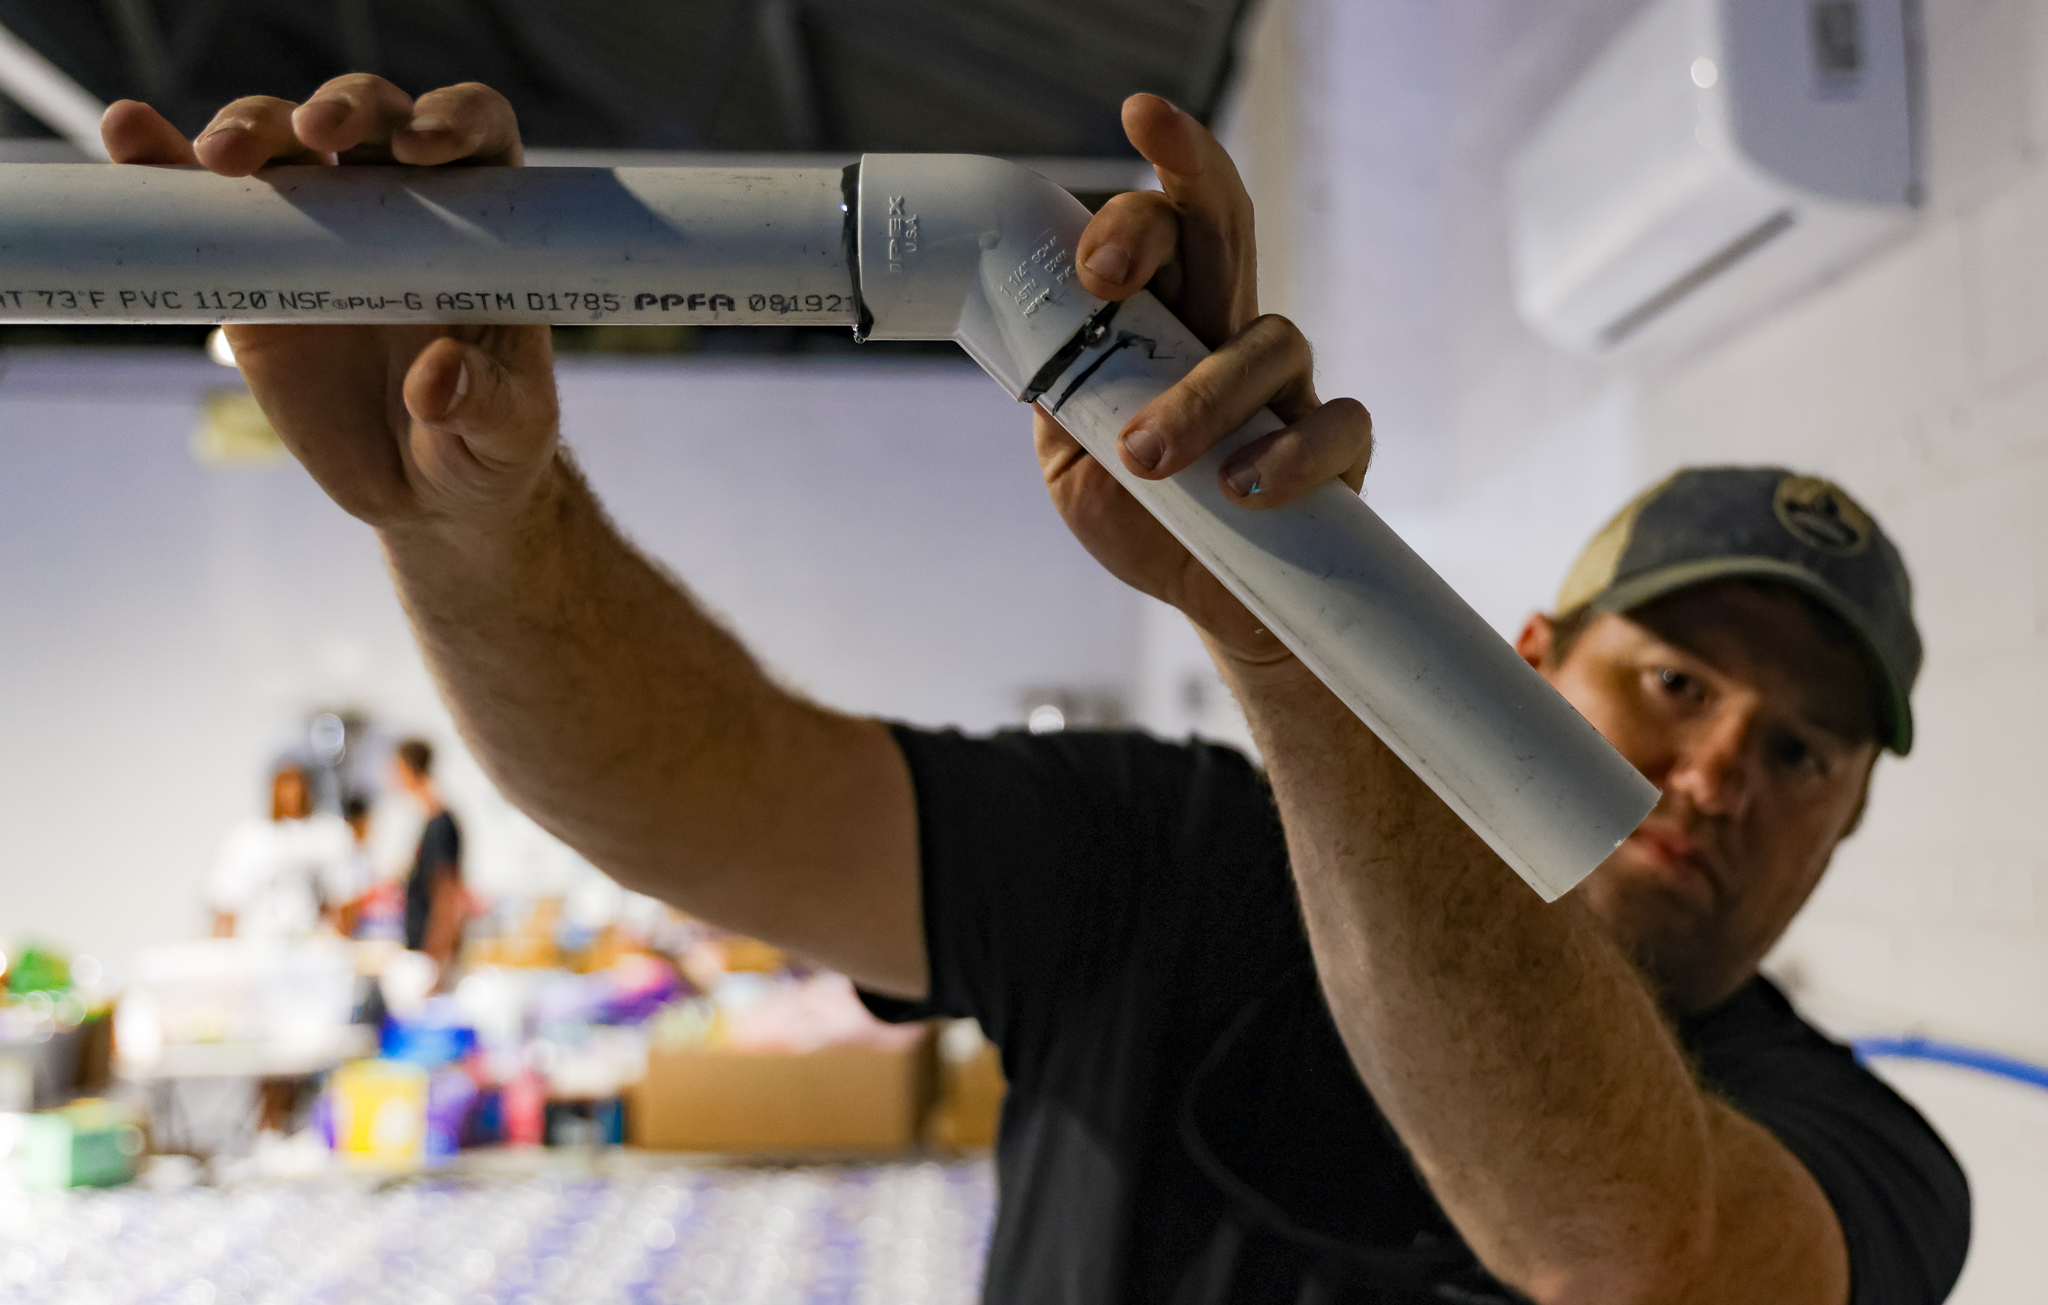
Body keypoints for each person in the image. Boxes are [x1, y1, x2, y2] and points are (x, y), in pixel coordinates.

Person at [104, 78, 1969, 1303]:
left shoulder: (1865, 1161)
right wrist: (467, 524)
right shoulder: (1172, 858)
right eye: (1673, 679)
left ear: (1848, 820)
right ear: (1533, 663)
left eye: (1800, 747)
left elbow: (1640, 1261)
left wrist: (1279, 616)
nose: (1718, 767)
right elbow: (705, 802)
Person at [205, 762, 355, 942]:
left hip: (314, 944)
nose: (292, 793)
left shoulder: (327, 836)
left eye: (297, 783)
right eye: (285, 783)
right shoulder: (247, 840)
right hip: (258, 945)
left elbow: (344, 900)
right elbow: (226, 906)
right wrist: (222, 952)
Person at [390, 738, 464, 972]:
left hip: (430, 955)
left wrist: (436, 959)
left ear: (408, 769)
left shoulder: (440, 825)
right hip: (420, 949)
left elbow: (446, 894)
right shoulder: (428, 820)